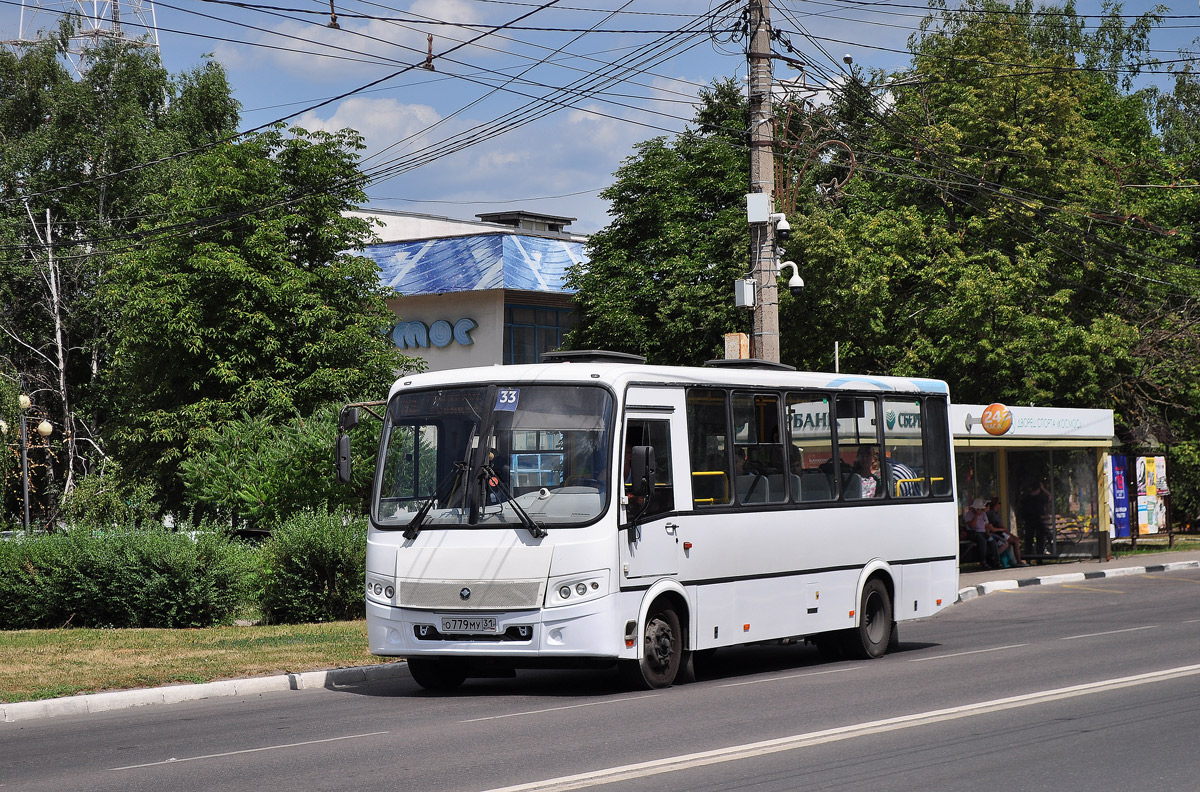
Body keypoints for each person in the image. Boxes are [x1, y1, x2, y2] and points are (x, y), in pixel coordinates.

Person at [985, 497, 1027, 567]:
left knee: (1013, 542)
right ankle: (1018, 561)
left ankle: (1010, 560)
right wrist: (1011, 535)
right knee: (1015, 541)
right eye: (999, 503)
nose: (1000, 505)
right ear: (996, 504)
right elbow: (1001, 526)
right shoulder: (993, 514)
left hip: (999, 532)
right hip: (997, 533)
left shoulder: (994, 513)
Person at [962, 497, 999, 569]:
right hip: (974, 533)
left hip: (984, 532)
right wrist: (976, 516)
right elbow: (972, 525)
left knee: (992, 541)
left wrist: (988, 534)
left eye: (981, 509)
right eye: (978, 509)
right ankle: (983, 561)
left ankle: (997, 561)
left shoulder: (983, 514)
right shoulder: (969, 514)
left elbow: (986, 525)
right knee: (982, 541)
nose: (980, 511)